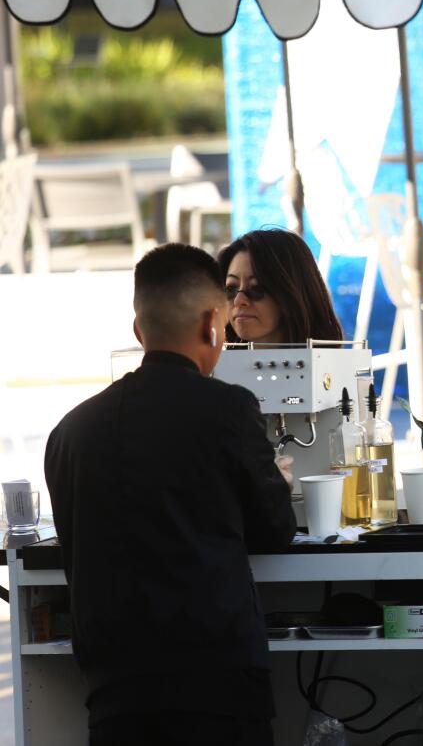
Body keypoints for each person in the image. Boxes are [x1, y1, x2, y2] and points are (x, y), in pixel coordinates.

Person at [44, 243, 297, 746]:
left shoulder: (70, 431)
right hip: (214, 683)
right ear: (212, 324)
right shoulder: (227, 409)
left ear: (139, 332)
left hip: (113, 690)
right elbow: (275, 531)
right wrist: (280, 486)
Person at [217, 228, 343, 345]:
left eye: (256, 288)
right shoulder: (212, 367)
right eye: (230, 289)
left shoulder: (332, 367)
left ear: (292, 292)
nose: (239, 300)